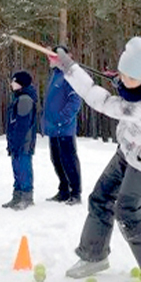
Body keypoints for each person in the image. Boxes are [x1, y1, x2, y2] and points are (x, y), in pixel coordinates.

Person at [52, 37, 141, 282]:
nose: (123, 80)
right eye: (122, 74)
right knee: (100, 197)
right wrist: (122, 80)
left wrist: (69, 68)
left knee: (128, 210)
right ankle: (93, 256)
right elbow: (127, 86)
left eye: (129, 77)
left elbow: (99, 100)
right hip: (128, 149)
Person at [43, 45, 83, 205]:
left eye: (55, 56)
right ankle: (64, 190)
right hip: (53, 129)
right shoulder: (55, 75)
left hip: (64, 128)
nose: (51, 59)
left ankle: (76, 192)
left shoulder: (70, 76)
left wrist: (62, 119)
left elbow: (75, 101)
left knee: (69, 160)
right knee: (56, 160)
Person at [1, 70, 38, 211]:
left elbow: (22, 124)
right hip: (17, 141)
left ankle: (26, 196)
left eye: (14, 81)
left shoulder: (24, 99)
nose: (11, 84)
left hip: (23, 142)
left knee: (23, 167)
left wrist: (16, 141)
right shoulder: (19, 98)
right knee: (17, 167)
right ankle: (17, 195)